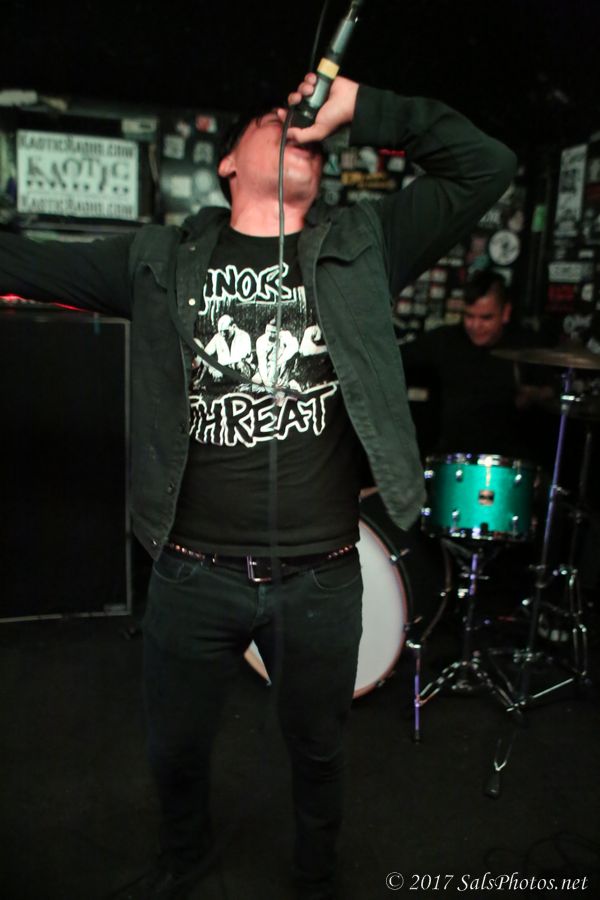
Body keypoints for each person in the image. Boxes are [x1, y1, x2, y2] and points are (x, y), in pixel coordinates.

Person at [0, 72, 516, 899]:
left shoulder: (364, 245)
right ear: (229, 163)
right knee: (175, 748)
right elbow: (23, 259)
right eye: (274, 121)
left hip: (319, 578)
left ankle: (316, 874)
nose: (295, 128)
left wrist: (363, 108)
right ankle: (184, 857)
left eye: (306, 128)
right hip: (190, 573)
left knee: (319, 749)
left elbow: (487, 165)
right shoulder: (157, 259)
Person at [400, 270, 552, 459]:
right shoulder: (446, 340)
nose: (475, 325)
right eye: (469, 316)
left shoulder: (526, 347)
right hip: (452, 457)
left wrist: (534, 394)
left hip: (508, 460)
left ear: (506, 312)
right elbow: (397, 360)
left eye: (486, 318)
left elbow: (552, 391)